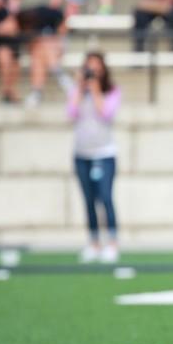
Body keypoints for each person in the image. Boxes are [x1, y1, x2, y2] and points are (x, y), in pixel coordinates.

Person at [67, 51, 121, 264]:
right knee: (88, 200)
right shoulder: (78, 90)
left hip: (104, 152)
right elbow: (71, 113)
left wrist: (96, 90)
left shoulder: (111, 90)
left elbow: (106, 114)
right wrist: (80, 89)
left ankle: (112, 241)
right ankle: (93, 241)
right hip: (82, 153)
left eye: (96, 68)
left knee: (105, 197)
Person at [16, 3, 70, 106]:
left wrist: (54, 39)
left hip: (57, 45)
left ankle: (36, 92)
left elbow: (63, 28)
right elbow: (30, 45)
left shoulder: (46, 13)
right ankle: (60, 77)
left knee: (43, 45)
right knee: (38, 53)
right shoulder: (24, 24)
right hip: (44, 53)